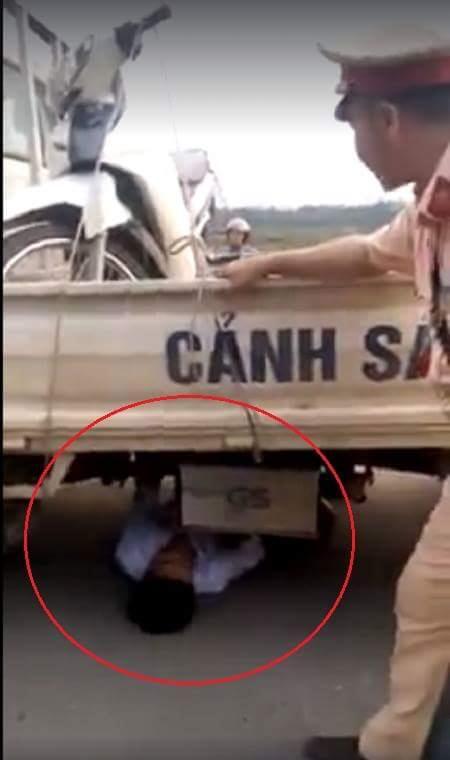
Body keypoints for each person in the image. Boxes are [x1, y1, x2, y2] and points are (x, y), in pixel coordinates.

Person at [217, 28, 450, 760]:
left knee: (430, 597)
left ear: (387, 118)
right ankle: (398, 744)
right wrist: (270, 266)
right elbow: (368, 253)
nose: (356, 146)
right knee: (430, 601)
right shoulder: (434, 205)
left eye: (353, 126)